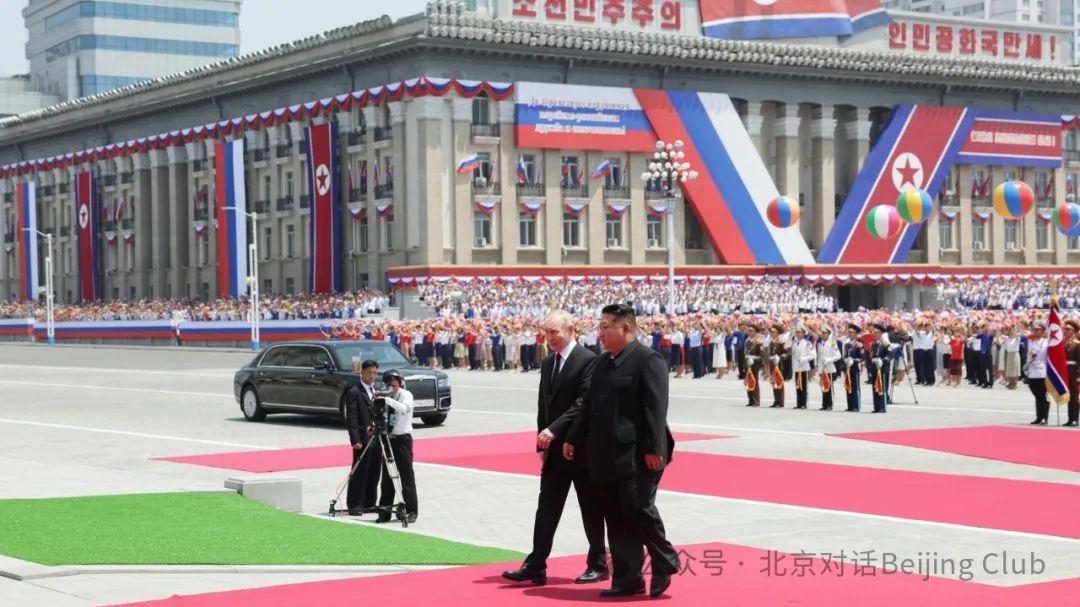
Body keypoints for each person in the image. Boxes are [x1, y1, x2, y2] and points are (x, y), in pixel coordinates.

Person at [565, 303, 679, 599]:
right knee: (615, 515)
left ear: (625, 328)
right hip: (604, 453)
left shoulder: (647, 360)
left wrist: (655, 448)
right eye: (599, 326)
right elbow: (588, 405)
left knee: (638, 508)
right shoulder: (603, 362)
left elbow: (656, 408)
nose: (599, 333)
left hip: (639, 453)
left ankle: (665, 561)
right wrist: (573, 437)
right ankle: (628, 578)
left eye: (605, 327)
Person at [504, 311, 608, 586]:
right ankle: (536, 564)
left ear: (571, 329)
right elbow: (544, 406)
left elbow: (584, 402)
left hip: (580, 447)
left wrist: (555, 429)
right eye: (546, 332)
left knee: (591, 508)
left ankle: (598, 564)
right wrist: (541, 442)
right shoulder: (549, 362)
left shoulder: (588, 360)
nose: (549, 337)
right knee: (547, 508)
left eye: (554, 332)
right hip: (553, 449)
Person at [375, 370, 418, 524]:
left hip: (402, 440)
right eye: (388, 382)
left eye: (394, 381)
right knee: (387, 478)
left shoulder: (406, 395)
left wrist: (387, 399)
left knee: (406, 477)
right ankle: (384, 512)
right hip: (388, 439)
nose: (391, 384)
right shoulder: (385, 397)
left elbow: (404, 409)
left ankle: (411, 511)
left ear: (399, 382)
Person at [343, 360, 380, 516]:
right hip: (362, 439)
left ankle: (369, 503)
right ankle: (355, 504)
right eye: (369, 372)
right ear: (362, 373)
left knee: (374, 471)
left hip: (377, 438)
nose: (372, 376)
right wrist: (355, 440)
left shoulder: (376, 390)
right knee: (360, 472)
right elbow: (351, 418)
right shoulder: (354, 392)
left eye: (375, 373)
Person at [1024, 321, 1050, 425]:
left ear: (1043, 331)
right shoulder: (1032, 342)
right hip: (1032, 371)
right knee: (1037, 395)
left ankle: (1044, 417)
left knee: (1043, 396)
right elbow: (1029, 356)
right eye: (1035, 330)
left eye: (1038, 330)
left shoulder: (1047, 343)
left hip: (1042, 371)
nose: (1036, 331)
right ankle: (1038, 417)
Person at [868, 324, 892, 413]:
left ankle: (882, 407)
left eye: (876, 333)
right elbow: (871, 357)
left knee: (882, 387)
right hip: (875, 368)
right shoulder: (873, 344)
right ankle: (876, 407)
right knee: (875, 387)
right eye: (874, 333)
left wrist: (883, 360)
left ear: (881, 333)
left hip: (883, 368)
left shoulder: (885, 343)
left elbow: (891, 354)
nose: (874, 334)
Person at [843, 324, 865, 412]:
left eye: (852, 332)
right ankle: (850, 405)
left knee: (855, 387)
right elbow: (845, 355)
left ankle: (856, 405)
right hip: (848, 367)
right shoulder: (847, 344)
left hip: (855, 367)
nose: (850, 334)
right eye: (849, 332)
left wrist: (854, 360)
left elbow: (862, 357)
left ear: (856, 334)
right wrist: (846, 360)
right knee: (848, 385)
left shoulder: (859, 344)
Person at [1064, 319, 1080, 427]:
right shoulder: (1064, 343)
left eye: (1068, 329)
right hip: (1067, 372)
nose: (1066, 331)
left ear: (1073, 331)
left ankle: (1075, 419)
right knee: (1069, 397)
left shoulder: (1077, 344)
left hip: (1075, 373)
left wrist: (1078, 376)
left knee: (1075, 397)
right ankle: (1070, 419)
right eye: (1065, 329)